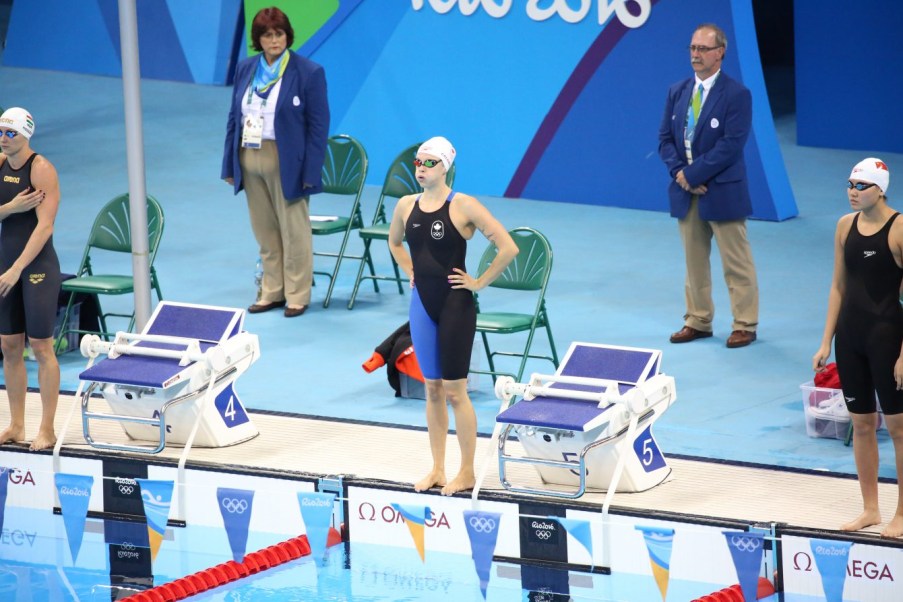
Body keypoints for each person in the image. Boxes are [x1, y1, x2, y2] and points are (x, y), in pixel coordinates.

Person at [388, 137, 518, 495]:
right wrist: (410, 269)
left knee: (455, 392)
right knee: (431, 389)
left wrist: (478, 282)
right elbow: (394, 242)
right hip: (422, 305)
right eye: (418, 162)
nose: (420, 168)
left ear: (445, 167)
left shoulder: (463, 206)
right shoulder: (405, 206)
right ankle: (438, 469)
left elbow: (508, 247)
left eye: (429, 163)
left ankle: (467, 472)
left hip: (455, 305)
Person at [813, 158, 903, 537]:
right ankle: (870, 509)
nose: (852, 191)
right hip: (851, 337)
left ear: (880, 189)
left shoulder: (899, 229)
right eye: (849, 183)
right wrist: (825, 341)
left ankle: (901, 513)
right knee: (862, 424)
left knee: (899, 429)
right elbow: (838, 286)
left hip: (887, 337)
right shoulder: (843, 226)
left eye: (861, 185)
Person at [222, 6, 330, 318]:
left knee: (294, 232)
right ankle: (272, 291)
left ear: (287, 36)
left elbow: (318, 127)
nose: (274, 41)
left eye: (279, 34)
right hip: (249, 157)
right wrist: (229, 165)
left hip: (287, 161)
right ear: (258, 39)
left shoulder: (308, 72)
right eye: (268, 35)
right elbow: (234, 118)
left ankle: (297, 294)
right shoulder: (245, 69)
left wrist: (311, 171)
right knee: (265, 232)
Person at [658, 23, 759, 349]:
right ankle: (698, 320)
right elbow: (664, 140)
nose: (696, 55)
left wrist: (695, 174)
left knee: (736, 262)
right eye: (692, 48)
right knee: (694, 263)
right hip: (687, 191)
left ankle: (745, 324)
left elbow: (731, 144)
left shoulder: (737, 95)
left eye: (703, 49)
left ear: (720, 53)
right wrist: (680, 174)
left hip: (722, 190)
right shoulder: (677, 91)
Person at [0, 107, 62, 451]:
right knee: (9, 346)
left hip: (36, 266)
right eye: (1, 133)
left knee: (40, 347)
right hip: (6, 263)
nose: (5, 139)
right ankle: (16, 425)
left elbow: (45, 226)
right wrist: (11, 208)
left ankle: (47, 429)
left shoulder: (41, 169)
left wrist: (16, 268)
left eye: (12, 133)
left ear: (27, 135)